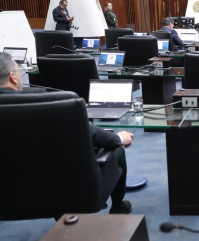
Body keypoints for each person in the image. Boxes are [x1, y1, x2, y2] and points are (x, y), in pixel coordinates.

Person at [0, 52, 134, 214]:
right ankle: (118, 206)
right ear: (13, 77)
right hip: (61, 190)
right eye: (19, 71)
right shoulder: (41, 101)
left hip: (7, 198)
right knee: (117, 149)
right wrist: (118, 138)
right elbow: (87, 133)